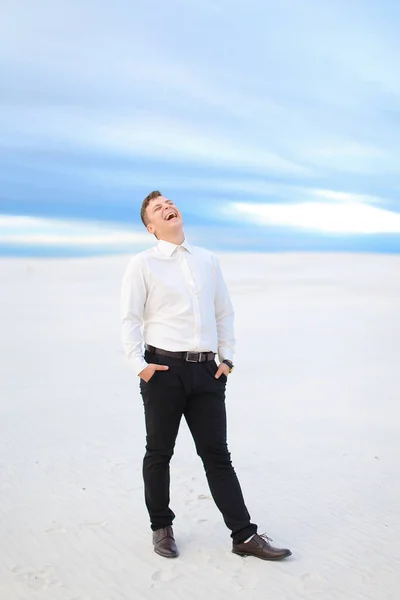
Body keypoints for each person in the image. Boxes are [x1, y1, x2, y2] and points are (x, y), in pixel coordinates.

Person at [120, 191, 291, 561]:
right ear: (151, 226)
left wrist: (226, 360)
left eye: (169, 202)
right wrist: (140, 366)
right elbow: (130, 319)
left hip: (207, 373)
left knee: (217, 455)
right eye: (157, 208)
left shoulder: (207, 260)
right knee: (159, 453)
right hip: (163, 371)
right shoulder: (143, 264)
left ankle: (243, 536)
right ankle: (161, 528)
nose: (167, 207)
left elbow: (224, 312)